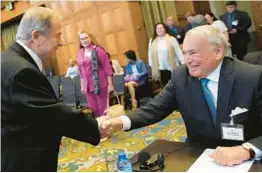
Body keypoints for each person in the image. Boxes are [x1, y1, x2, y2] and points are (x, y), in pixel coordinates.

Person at [100, 25, 262, 166]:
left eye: (193, 53)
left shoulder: (252, 77)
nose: (187, 60)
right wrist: (118, 122)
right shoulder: (181, 76)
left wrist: (246, 150)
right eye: (185, 53)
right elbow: (155, 109)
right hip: (200, 157)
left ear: (218, 51)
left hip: (246, 160)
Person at [1, 7, 107, 172]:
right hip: (24, 160)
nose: (61, 42)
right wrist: (96, 127)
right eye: (57, 35)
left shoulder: (8, 60)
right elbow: (51, 114)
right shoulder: (21, 70)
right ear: (37, 36)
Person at [77, 30, 113, 117]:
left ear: (91, 38)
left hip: (100, 84)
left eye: (86, 38)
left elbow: (107, 68)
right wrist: (82, 85)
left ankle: (107, 128)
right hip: (88, 86)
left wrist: (110, 84)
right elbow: (81, 70)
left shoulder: (98, 50)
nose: (84, 40)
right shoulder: (80, 52)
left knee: (103, 109)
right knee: (93, 108)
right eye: (82, 39)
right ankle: (100, 127)